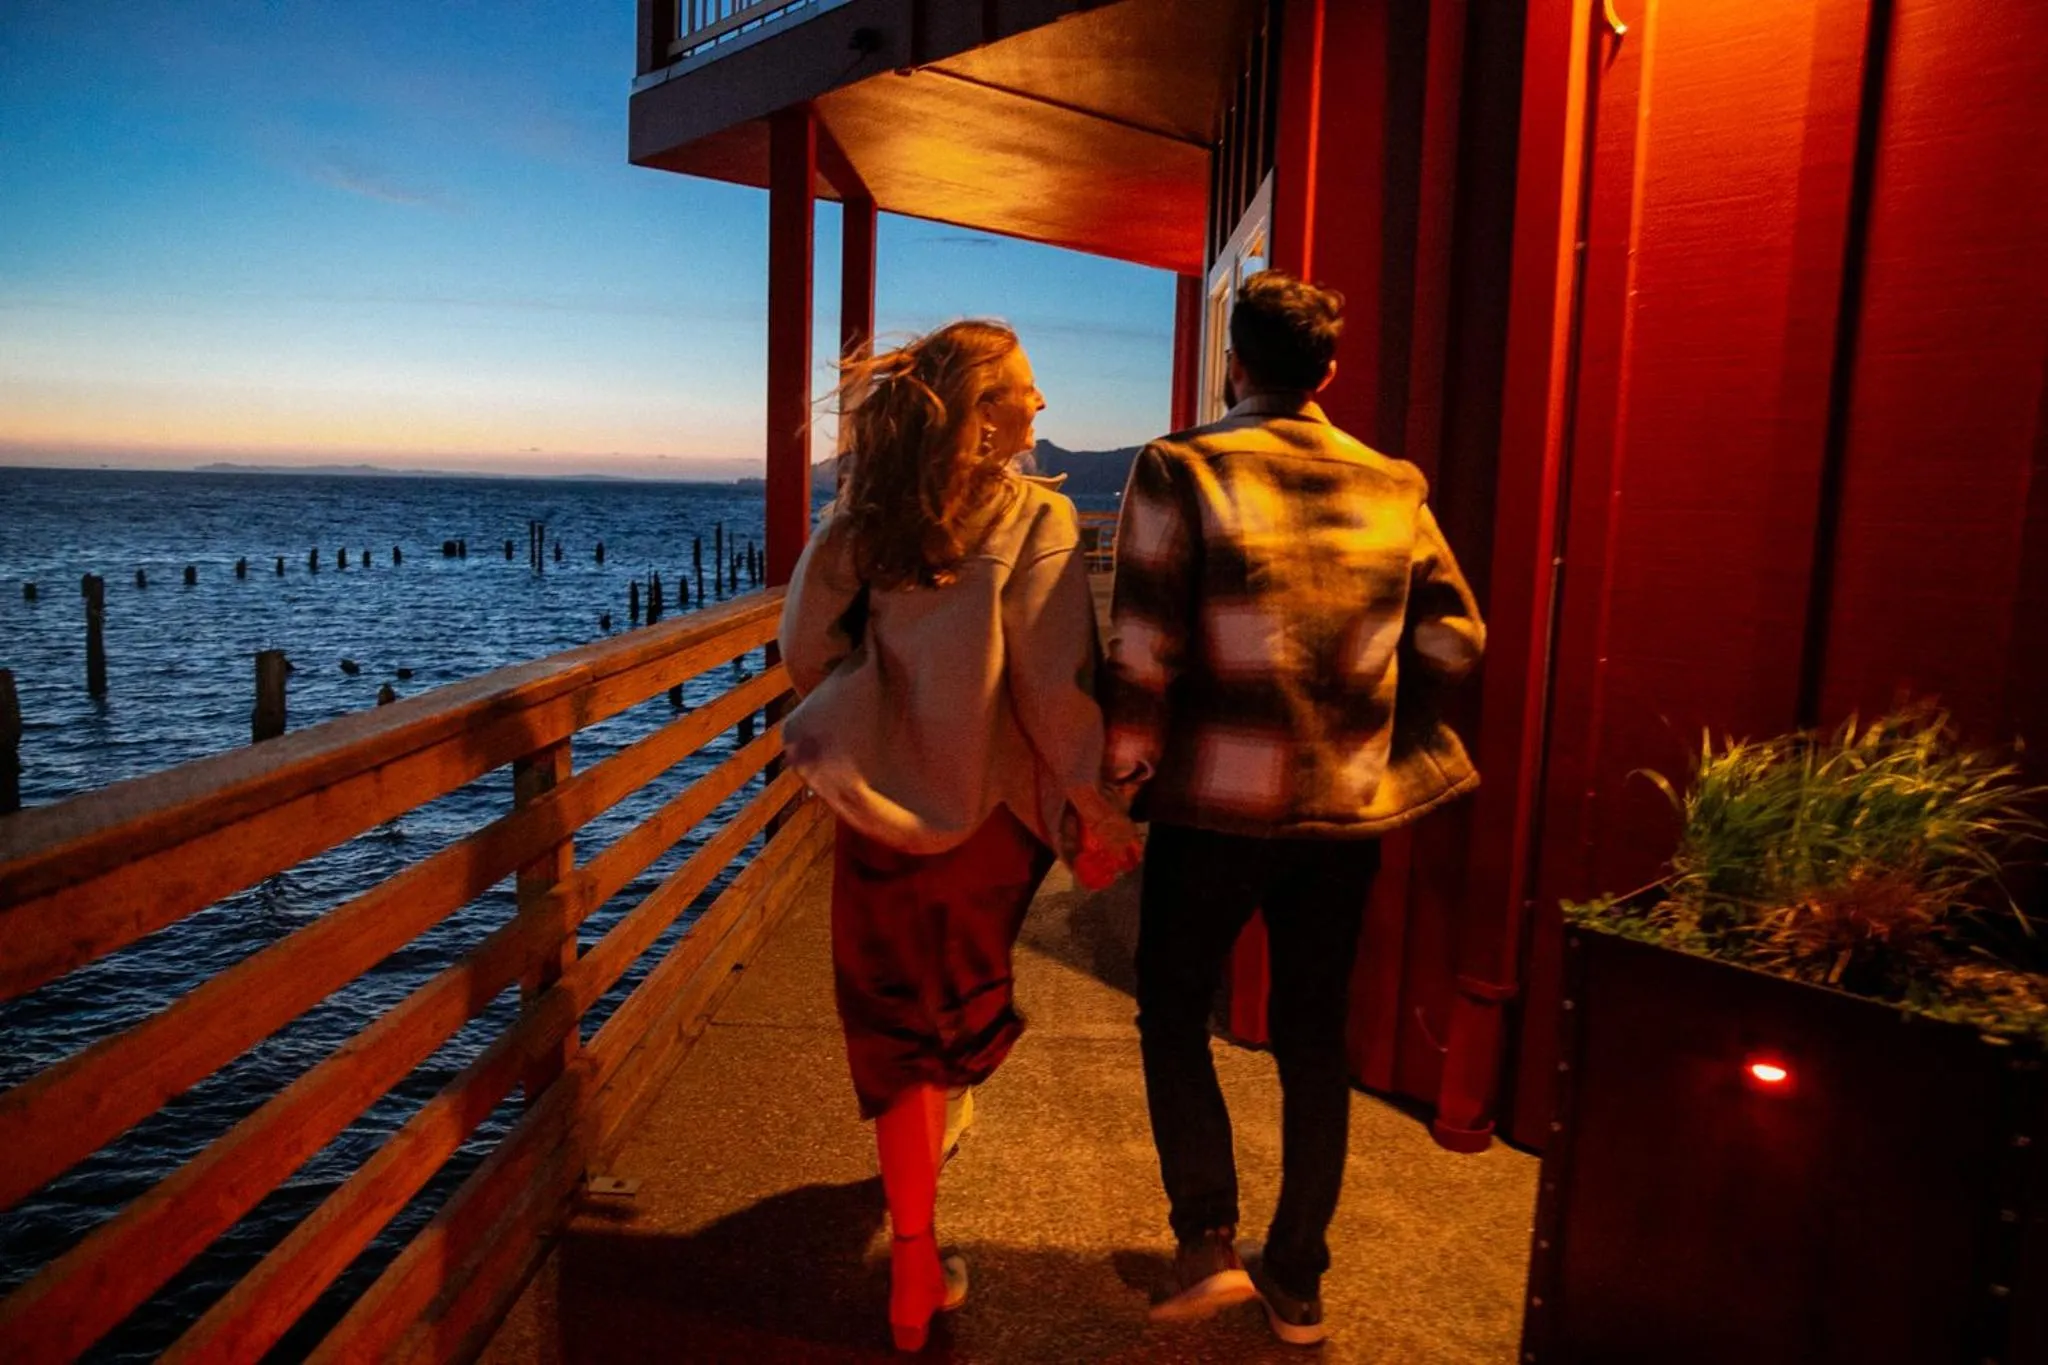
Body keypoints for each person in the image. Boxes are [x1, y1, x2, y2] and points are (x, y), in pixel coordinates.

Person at [1101, 271, 1486, 1346]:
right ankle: (1298, 1277)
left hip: (1211, 813)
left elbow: (1141, 648)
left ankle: (1204, 1243)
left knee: (1171, 1008)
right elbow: (1457, 641)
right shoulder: (1391, 483)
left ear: (1234, 363)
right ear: (1325, 371)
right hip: (1342, 810)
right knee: (1314, 1034)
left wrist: (1122, 774)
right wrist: (1361, 697)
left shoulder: (1179, 466)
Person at [778, 319, 1142, 1352]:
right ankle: (936, 1149)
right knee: (954, 1015)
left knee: (895, 1021)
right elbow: (1050, 682)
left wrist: (873, 706)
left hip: (879, 805)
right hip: (988, 812)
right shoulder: (1035, 519)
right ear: (981, 413)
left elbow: (804, 645)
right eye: (1023, 391)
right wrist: (1088, 799)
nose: (1039, 407)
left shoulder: (866, 515)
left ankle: (910, 1271)